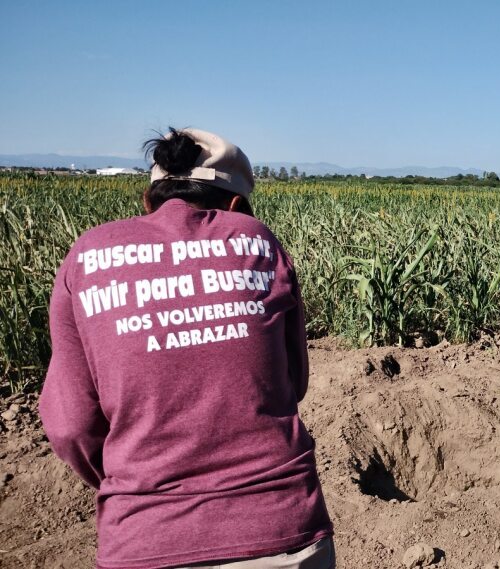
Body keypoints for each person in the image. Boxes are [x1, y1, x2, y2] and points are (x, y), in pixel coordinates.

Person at [39, 128, 334, 568]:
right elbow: (293, 381)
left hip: (143, 539)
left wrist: (137, 481)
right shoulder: (256, 241)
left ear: (148, 200)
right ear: (236, 206)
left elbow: (71, 425)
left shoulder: (85, 256)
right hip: (280, 529)